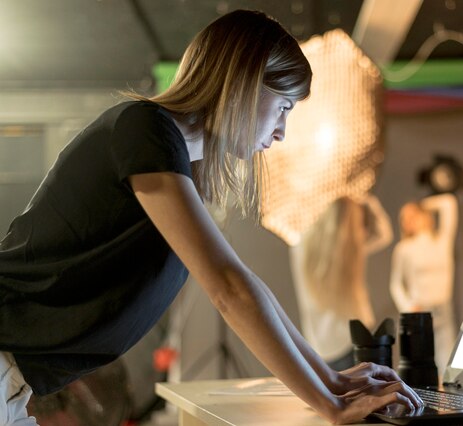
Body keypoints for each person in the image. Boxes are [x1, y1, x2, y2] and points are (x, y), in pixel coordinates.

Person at [0, 10, 422, 425]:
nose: (282, 132)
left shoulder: (170, 155)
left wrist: (330, 380)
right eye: (284, 107)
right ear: (242, 83)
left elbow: (241, 281)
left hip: (17, 381)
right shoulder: (146, 128)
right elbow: (227, 288)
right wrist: (332, 405)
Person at [290, 195, 393, 371]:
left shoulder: (300, 247)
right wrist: (365, 197)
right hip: (354, 338)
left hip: (318, 344)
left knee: (331, 397)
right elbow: (384, 234)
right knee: (369, 395)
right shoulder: (351, 252)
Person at [389, 192, 458, 377]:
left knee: (447, 362)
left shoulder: (441, 241)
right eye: (404, 218)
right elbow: (395, 284)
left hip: (443, 309)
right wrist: (409, 308)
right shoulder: (404, 248)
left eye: (412, 215)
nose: (408, 220)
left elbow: (448, 203)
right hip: (419, 312)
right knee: (420, 367)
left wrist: (421, 205)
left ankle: (449, 403)